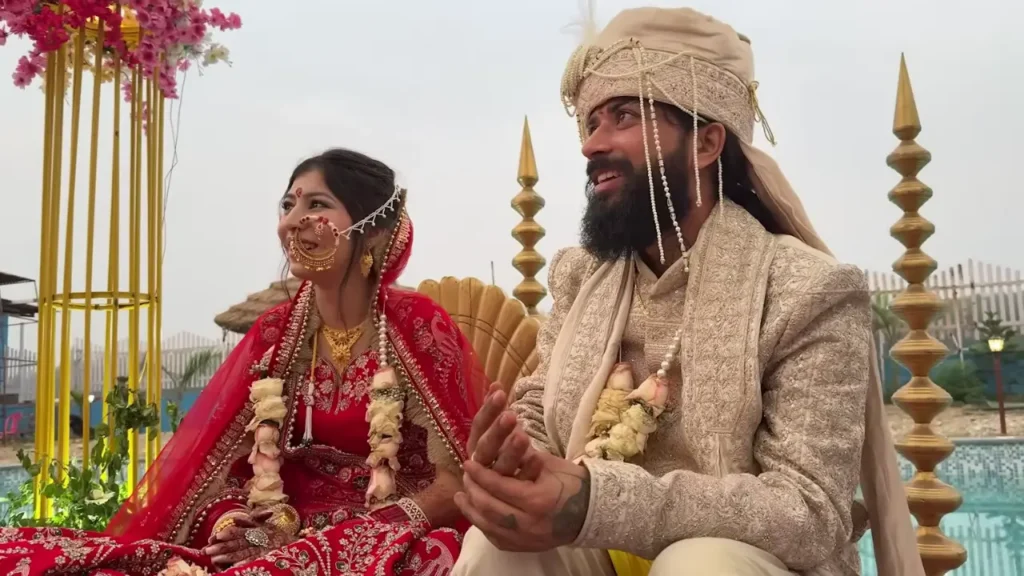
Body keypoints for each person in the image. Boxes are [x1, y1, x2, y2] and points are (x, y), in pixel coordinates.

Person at [451, 7, 923, 576]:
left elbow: (809, 509)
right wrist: (515, 454)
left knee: (700, 564)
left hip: (748, 562)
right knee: (494, 547)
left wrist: (595, 499)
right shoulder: (582, 277)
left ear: (705, 144)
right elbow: (538, 402)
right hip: (597, 545)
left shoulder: (806, 290)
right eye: (591, 123)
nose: (591, 146)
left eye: (623, 115)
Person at [0, 149, 487, 575]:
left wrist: (346, 543)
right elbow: (225, 469)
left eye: (316, 204)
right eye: (288, 204)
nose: (291, 220)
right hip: (280, 528)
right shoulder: (275, 334)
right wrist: (237, 526)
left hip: (393, 532)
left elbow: (460, 478)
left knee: (441, 553)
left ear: (374, 231)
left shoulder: (417, 325)